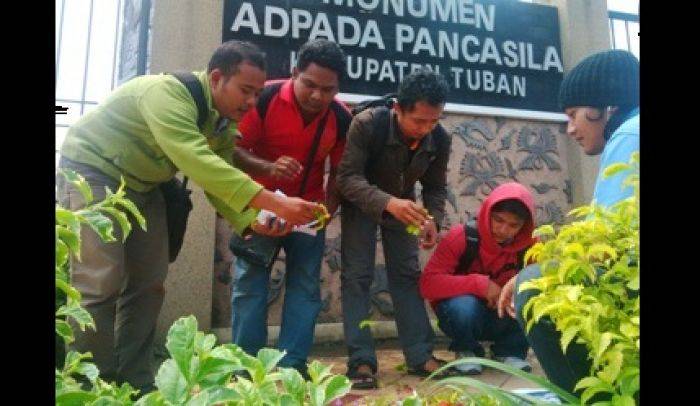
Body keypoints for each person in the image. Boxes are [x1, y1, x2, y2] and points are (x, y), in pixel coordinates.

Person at [56, 40, 320, 393]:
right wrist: (275, 201)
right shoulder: (167, 94)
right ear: (216, 78)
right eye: (245, 90)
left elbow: (220, 178)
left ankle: (135, 383)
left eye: (258, 93)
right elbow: (195, 159)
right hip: (93, 173)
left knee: (149, 284)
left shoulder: (221, 123)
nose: (252, 102)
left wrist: (252, 220)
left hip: (145, 187)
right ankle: (88, 386)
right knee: (99, 282)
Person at [497, 49, 639, 396]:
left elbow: (607, 243)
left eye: (574, 114)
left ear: (604, 107)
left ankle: (596, 398)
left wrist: (529, 274)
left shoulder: (629, 134)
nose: (570, 128)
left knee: (534, 285)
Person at [228, 39, 351, 376]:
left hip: (308, 214)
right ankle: (245, 367)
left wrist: (327, 207)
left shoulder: (341, 117)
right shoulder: (263, 98)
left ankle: (293, 366)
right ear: (295, 73)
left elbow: (339, 172)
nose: (317, 96)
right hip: (260, 207)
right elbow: (233, 150)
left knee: (305, 287)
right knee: (250, 284)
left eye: (327, 89)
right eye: (309, 85)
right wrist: (268, 169)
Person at [336, 68, 453, 389]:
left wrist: (432, 219)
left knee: (407, 276)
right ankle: (361, 360)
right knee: (357, 277)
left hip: (406, 207)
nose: (426, 129)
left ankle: (420, 355)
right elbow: (347, 178)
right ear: (398, 109)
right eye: (418, 121)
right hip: (363, 203)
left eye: (433, 121)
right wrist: (389, 202)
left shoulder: (439, 138)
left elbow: (435, 187)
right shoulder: (367, 124)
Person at [420, 183, 536, 375]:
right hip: (463, 315)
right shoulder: (461, 236)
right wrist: (479, 284)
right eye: (498, 220)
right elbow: (428, 284)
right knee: (464, 305)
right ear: (487, 213)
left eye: (513, 225)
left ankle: (510, 351)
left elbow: (545, 283)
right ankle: (467, 351)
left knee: (534, 297)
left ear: (525, 226)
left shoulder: (532, 246)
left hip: (506, 315)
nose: (503, 229)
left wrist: (511, 293)